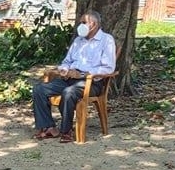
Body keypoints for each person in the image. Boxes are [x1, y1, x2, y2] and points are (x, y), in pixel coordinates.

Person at [32, 10, 116, 143]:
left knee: (69, 92)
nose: (80, 26)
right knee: (39, 89)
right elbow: (67, 62)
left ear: (93, 24)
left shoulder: (106, 40)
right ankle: (48, 127)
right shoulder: (78, 40)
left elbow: (108, 67)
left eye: (83, 23)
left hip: (91, 82)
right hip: (70, 79)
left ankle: (66, 131)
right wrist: (65, 70)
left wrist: (82, 73)